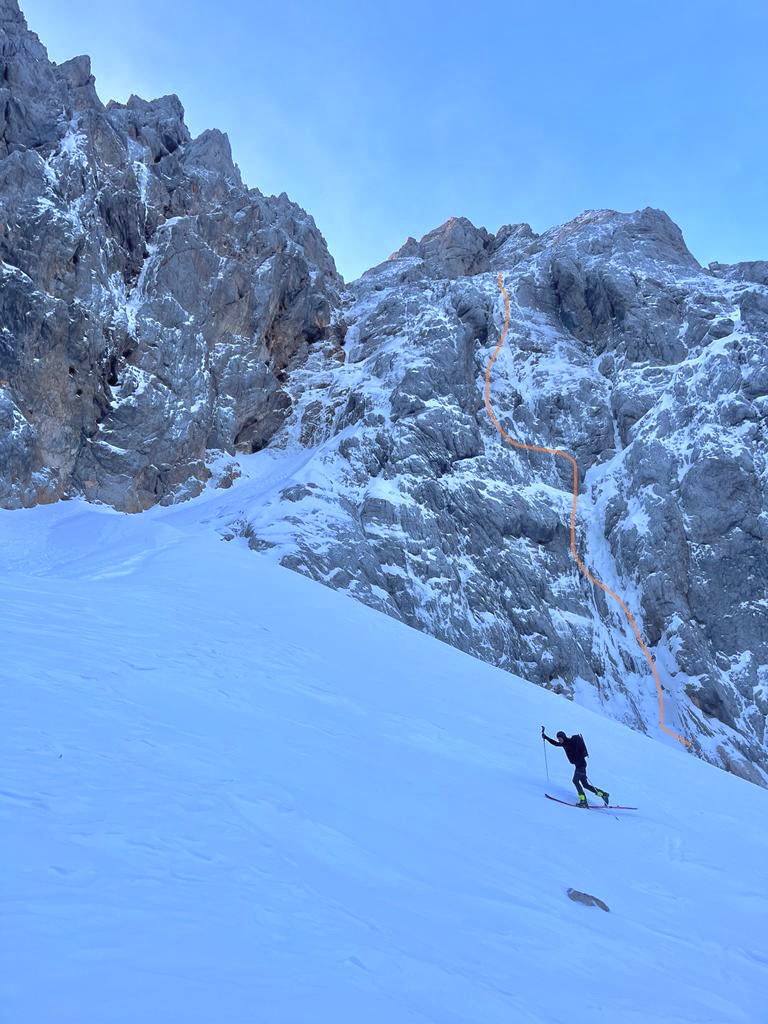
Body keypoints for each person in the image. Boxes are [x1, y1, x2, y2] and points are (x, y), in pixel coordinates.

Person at [541, 726, 610, 808]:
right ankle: (603, 794)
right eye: (558, 738)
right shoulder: (565, 744)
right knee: (585, 785)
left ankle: (583, 801)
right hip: (580, 765)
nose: (559, 740)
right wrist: (546, 737)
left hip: (581, 765)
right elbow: (555, 744)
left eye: (560, 738)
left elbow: (559, 744)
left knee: (575, 781)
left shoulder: (569, 742)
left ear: (563, 737)